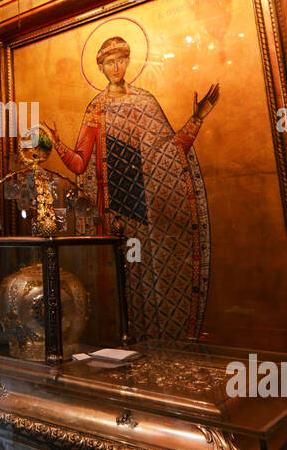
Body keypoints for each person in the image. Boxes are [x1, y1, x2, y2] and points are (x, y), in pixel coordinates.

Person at [46, 35, 219, 341]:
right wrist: (56, 143)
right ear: (100, 66)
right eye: (109, 62)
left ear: (129, 62)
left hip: (142, 210)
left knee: (141, 272)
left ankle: (147, 340)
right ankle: (113, 339)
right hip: (109, 213)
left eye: (121, 60)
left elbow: (171, 151)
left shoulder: (145, 102)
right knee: (112, 278)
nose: (116, 67)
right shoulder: (96, 108)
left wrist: (197, 118)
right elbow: (79, 163)